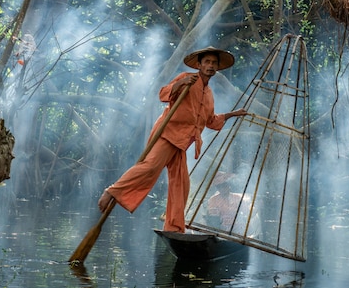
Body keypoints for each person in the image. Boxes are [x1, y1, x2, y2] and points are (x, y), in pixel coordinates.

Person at [98, 46, 248, 232]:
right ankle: (112, 191)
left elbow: (210, 121)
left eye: (214, 63)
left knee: (182, 186)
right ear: (199, 65)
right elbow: (163, 93)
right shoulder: (187, 77)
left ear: (217, 68)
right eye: (207, 62)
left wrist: (232, 114)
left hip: (182, 143)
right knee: (150, 167)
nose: (210, 66)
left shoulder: (209, 94)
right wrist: (181, 83)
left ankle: (174, 227)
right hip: (168, 134)